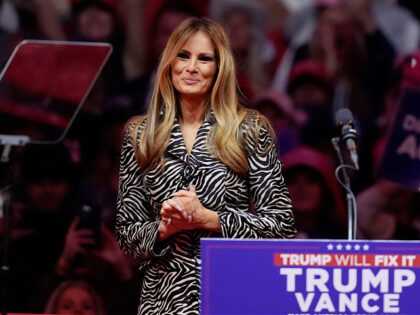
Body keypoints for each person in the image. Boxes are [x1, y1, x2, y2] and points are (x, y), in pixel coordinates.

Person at [115, 17, 296, 314]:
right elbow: (126, 236)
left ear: (220, 67)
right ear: (169, 62)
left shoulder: (249, 130)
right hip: (162, 300)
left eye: (204, 59)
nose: (191, 67)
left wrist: (208, 218)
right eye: (183, 55)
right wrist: (164, 228)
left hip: (230, 294)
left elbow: (280, 226)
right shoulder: (139, 134)